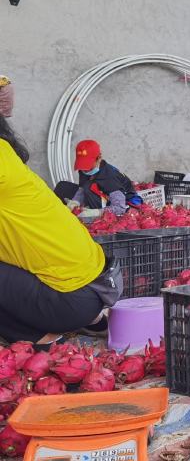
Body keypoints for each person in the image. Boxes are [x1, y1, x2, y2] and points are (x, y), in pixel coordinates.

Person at [0, 114, 120, 346]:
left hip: (69, 298)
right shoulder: (7, 156)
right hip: (94, 287)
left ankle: (41, 340)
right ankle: (95, 321)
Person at [54, 139, 142, 215]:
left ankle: (93, 210)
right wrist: (75, 202)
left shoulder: (109, 177)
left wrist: (97, 212)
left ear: (99, 158)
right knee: (62, 187)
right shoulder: (83, 170)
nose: (85, 171)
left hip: (125, 204)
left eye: (88, 166)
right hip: (101, 195)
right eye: (83, 166)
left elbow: (120, 208)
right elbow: (82, 189)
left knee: (90, 188)